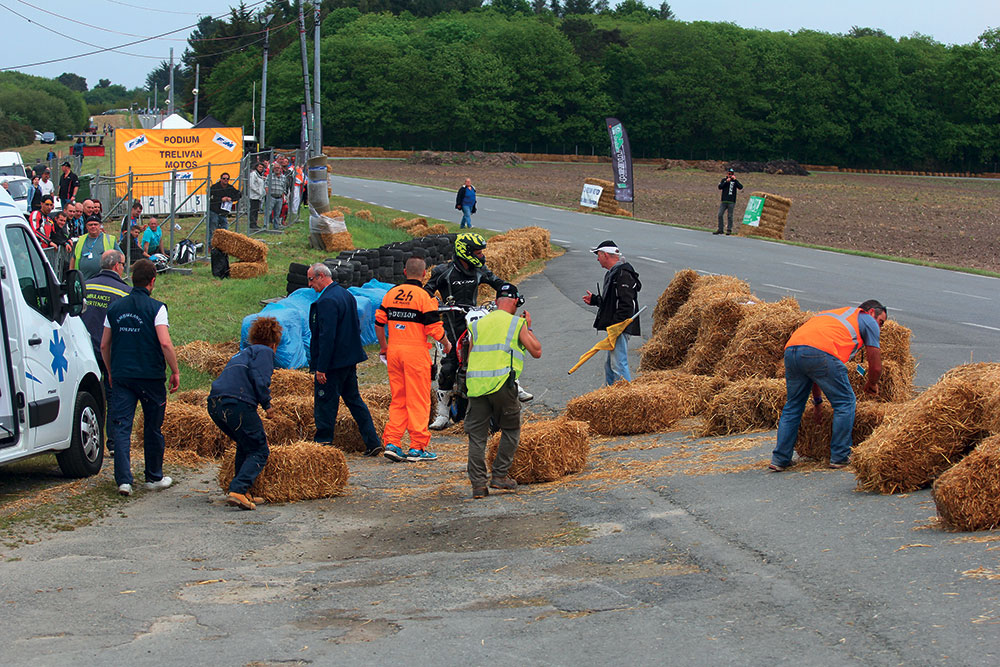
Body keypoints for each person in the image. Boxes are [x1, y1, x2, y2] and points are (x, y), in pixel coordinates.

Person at [769, 300, 887, 472]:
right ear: (870, 312)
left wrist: (818, 402)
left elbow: (814, 373)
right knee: (845, 402)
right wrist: (872, 383)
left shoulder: (836, 316)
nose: (880, 328)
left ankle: (780, 459)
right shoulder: (868, 320)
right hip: (821, 353)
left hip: (792, 351)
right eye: (881, 322)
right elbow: (875, 365)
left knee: (793, 406)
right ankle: (840, 456)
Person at [101, 258, 180, 496]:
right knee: (152, 427)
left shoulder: (114, 308)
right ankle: (153, 476)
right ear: (152, 281)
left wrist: (110, 371)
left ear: (131, 279)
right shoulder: (157, 308)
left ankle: (124, 481)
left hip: (123, 375)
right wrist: (175, 370)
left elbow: (105, 345)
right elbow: (164, 342)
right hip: (150, 377)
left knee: (122, 427)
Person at [464, 283, 542, 499]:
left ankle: (478, 486)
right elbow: (537, 351)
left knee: (477, 437)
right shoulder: (517, 323)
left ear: (496, 301)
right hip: (502, 385)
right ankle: (499, 476)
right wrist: (528, 327)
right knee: (511, 429)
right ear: (516, 302)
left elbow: (469, 357)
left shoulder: (478, 325)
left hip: (477, 387)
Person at [424, 232, 506, 430]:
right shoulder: (444, 271)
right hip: (452, 325)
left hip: (475, 322)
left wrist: (511, 294)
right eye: (478, 252)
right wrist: (435, 303)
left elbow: (499, 283)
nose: (481, 256)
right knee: (449, 367)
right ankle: (442, 413)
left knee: (492, 354)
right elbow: (426, 291)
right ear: (466, 252)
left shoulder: (480, 270)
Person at [375, 257, 452, 463]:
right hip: (415, 353)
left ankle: (392, 443)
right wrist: (445, 343)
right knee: (419, 400)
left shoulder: (391, 294)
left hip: (394, 352)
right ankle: (417, 447)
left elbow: (379, 322)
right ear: (425, 273)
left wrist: (384, 346)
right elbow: (433, 328)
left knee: (399, 399)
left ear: (404, 272)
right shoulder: (424, 297)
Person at [307, 263, 382, 455]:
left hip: (333, 363)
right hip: (348, 359)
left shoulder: (327, 301)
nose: (309, 285)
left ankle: (322, 446)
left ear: (322, 276)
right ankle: (372, 441)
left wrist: (321, 367)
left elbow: (326, 336)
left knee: (325, 404)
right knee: (354, 400)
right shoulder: (345, 294)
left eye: (311, 279)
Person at [208, 316, 283, 511]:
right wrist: (267, 406)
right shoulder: (265, 352)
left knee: (245, 443)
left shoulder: (242, 353)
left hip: (216, 403)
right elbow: (260, 378)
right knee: (260, 448)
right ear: (274, 343)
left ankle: (243, 490)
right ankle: (239, 489)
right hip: (237, 403)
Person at [82, 250, 131, 455]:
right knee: (113, 396)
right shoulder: (125, 292)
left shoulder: (85, 286)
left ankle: (90, 439)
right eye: (123, 264)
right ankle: (112, 443)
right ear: (116, 266)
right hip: (109, 351)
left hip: (84, 349)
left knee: (87, 396)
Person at [582, 240, 642, 385]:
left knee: (618, 364)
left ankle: (626, 397)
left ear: (605, 255)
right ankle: (611, 394)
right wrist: (596, 300)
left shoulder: (623, 274)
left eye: (598, 255)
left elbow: (627, 304)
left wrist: (618, 326)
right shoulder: (614, 273)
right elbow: (612, 302)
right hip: (616, 327)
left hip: (620, 326)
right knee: (610, 365)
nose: (597, 258)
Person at [209, 173, 240, 245]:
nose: (225, 180)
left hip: (223, 212)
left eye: (227, 179)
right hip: (214, 210)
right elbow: (210, 197)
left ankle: (223, 244)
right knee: (213, 227)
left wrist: (231, 198)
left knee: (225, 228)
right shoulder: (214, 187)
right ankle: (210, 244)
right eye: (224, 178)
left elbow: (239, 194)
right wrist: (221, 199)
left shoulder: (230, 187)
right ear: (220, 179)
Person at [715, 168, 744, 235]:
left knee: (730, 216)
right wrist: (726, 182)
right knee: (720, 214)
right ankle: (720, 229)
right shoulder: (724, 180)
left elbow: (740, 187)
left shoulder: (735, 181)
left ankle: (729, 229)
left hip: (731, 201)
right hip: (724, 201)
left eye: (731, 174)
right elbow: (720, 187)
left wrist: (735, 180)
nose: (730, 175)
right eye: (729, 173)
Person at [49, 211, 74, 277]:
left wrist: (68, 240)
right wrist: (65, 243)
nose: (62, 223)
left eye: (64, 221)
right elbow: (55, 237)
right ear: (56, 219)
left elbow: (65, 236)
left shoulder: (62, 228)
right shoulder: (52, 226)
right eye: (61, 220)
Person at [263, 162, 287, 230]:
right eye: (275, 168)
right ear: (273, 169)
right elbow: (266, 186)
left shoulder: (283, 177)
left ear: (280, 169)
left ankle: (276, 227)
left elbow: (284, 188)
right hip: (271, 197)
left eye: (278, 168)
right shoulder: (269, 176)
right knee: (268, 212)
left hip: (279, 198)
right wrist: (268, 195)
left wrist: (283, 198)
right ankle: (265, 226)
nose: (277, 169)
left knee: (277, 213)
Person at [248, 161, 266, 231]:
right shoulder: (253, 174)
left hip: (258, 196)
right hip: (254, 196)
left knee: (256, 210)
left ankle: (255, 223)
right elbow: (252, 185)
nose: (261, 168)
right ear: (256, 167)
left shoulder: (259, 175)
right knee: (253, 210)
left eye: (262, 167)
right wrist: (258, 192)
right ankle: (252, 224)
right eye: (259, 167)